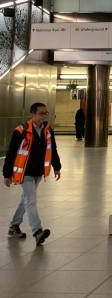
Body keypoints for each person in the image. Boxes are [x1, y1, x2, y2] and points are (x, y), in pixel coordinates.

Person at [3, 103, 61, 245]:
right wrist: (7, 174)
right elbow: (10, 153)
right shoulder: (21, 131)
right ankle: (37, 231)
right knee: (31, 201)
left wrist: (57, 167)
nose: (44, 116)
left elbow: (52, 149)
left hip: (38, 172)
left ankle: (14, 226)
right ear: (32, 114)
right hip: (25, 173)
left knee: (26, 199)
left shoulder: (48, 131)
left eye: (45, 113)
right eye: (41, 113)